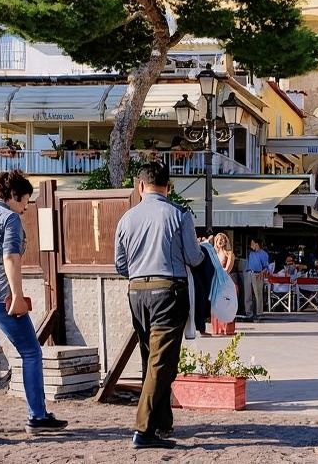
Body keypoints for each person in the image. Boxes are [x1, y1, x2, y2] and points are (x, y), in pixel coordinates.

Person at [0, 170, 67, 444]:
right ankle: (38, 415)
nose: (25, 207)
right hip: (1, 297)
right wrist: (17, 294)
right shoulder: (9, 219)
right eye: (25, 202)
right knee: (31, 352)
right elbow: (10, 257)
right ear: (13, 196)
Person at [113, 160, 204, 450]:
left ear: (140, 186)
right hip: (168, 292)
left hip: (136, 292)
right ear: (169, 186)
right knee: (161, 362)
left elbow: (120, 265)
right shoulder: (179, 215)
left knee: (150, 359)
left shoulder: (127, 218)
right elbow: (194, 258)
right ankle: (143, 430)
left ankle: (162, 422)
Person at [243, 238, 271, 322]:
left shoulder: (264, 254)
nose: (251, 245)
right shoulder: (250, 253)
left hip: (258, 274)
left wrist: (262, 272)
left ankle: (259, 314)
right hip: (248, 273)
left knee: (258, 295)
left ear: (257, 244)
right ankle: (249, 313)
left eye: (252, 243)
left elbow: (266, 267)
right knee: (248, 295)